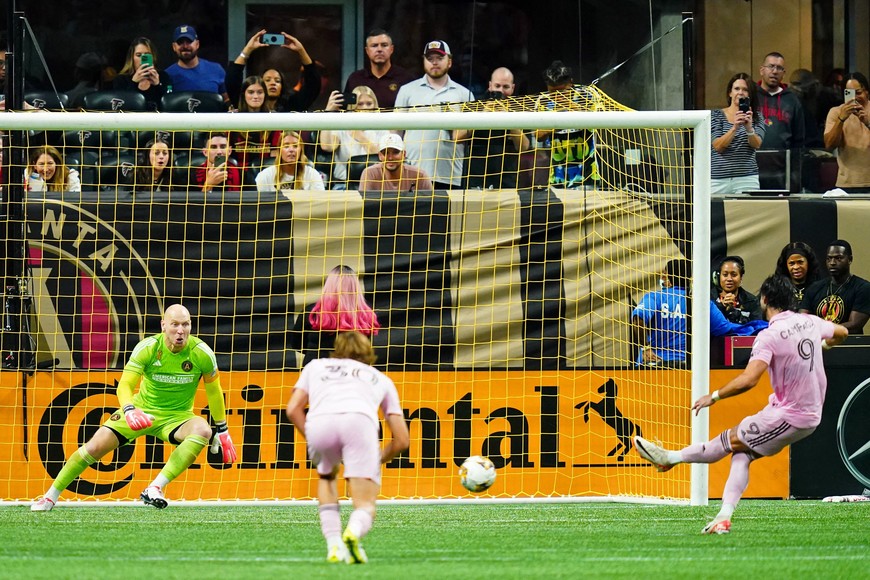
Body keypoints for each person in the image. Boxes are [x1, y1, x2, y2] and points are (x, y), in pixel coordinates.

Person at [634, 275, 848, 534]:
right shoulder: (809, 321)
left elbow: (749, 380)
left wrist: (713, 396)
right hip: (800, 410)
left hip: (792, 415)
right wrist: (823, 344)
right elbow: (842, 331)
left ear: (765, 300)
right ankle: (723, 517)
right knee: (742, 453)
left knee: (728, 440)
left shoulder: (769, 336)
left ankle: (670, 458)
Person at [31, 304, 237, 511]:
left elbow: (214, 392)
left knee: (203, 430)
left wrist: (223, 428)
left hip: (178, 417)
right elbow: (125, 385)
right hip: (140, 411)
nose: (180, 330)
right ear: (163, 325)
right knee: (93, 448)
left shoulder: (202, 353)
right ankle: (50, 497)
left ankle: (155, 488)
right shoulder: (148, 347)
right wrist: (129, 410)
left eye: (185, 324)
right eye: (174, 324)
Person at [286, 330, 409, 563]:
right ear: (368, 352)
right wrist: (378, 458)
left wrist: (311, 436)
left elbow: (293, 409)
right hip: (359, 423)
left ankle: (334, 545)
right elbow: (402, 440)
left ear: (337, 349)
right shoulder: (379, 378)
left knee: (327, 477)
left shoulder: (315, 366)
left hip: (321, 422)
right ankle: (353, 531)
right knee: (365, 504)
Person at [394, 40, 474, 190]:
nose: (434, 63)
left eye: (439, 58)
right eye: (430, 59)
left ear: (449, 62)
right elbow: (395, 133)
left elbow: (471, 134)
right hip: (412, 172)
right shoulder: (407, 91)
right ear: (424, 61)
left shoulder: (464, 94)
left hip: (450, 175)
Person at [290, 264, 380, 366]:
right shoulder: (365, 313)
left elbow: (296, 344)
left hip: (316, 369)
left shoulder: (312, 311)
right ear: (355, 286)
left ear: (329, 285)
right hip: (352, 369)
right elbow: (365, 345)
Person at [533, 60, 598, 189]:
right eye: (553, 93)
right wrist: (558, 117)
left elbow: (594, 122)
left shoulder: (587, 96)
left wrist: (571, 107)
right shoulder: (543, 102)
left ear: (571, 84)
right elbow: (539, 135)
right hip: (557, 176)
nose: (557, 98)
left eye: (562, 92)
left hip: (588, 174)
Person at [227, 29, 320, 113]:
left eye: (277, 81)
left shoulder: (291, 105)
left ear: (282, 86)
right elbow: (232, 80)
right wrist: (248, 49)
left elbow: (313, 85)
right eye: (267, 80)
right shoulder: (249, 104)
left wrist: (301, 50)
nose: (273, 83)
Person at [466, 67, 530, 190]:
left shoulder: (519, 111)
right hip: (475, 181)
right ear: (490, 86)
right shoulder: (475, 106)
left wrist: (507, 119)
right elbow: (457, 137)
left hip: (506, 182)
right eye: (497, 86)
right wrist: (481, 115)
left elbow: (524, 146)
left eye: (505, 87)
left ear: (512, 88)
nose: (501, 91)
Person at [320, 86, 388, 188]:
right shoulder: (342, 123)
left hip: (375, 184)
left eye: (369, 103)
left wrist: (361, 138)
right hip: (343, 184)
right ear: (353, 106)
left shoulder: (383, 126)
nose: (365, 107)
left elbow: (384, 157)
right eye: (360, 104)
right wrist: (328, 113)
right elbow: (327, 146)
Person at [756, 52, 805, 189]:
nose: (774, 71)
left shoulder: (793, 100)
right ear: (762, 70)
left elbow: (799, 141)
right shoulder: (751, 96)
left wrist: (796, 174)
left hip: (783, 173)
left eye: (779, 68)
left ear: (784, 73)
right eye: (771, 66)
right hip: (751, 171)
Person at [711, 73, 766, 194]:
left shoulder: (757, 116)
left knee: (748, 212)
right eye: (736, 89)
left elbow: (757, 144)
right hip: (718, 179)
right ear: (730, 93)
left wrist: (749, 129)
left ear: (750, 95)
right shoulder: (716, 115)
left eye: (745, 90)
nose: (740, 93)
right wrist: (735, 127)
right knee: (716, 212)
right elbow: (718, 146)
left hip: (746, 178)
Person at [800, 239, 870, 333]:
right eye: (829, 258)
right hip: (818, 344)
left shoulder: (862, 287)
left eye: (838, 258)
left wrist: (823, 330)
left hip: (848, 345)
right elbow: (802, 320)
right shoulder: (814, 288)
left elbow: (855, 324)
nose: (832, 263)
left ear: (850, 259)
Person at [632, 258, 690, 367]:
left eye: (664, 274)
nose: (662, 278)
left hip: (653, 364)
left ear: (672, 278)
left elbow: (637, 319)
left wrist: (645, 347)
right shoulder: (700, 302)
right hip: (687, 367)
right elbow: (726, 328)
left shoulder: (654, 297)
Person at [343, 29, 416, 109]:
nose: (379, 49)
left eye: (384, 45)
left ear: (391, 49)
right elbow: (346, 110)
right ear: (367, 51)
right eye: (374, 46)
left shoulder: (406, 79)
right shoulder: (355, 79)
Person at [823, 72, 870, 193]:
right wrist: (841, 119)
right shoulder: (835, 112)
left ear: (867, 92)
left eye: (858, 92)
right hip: (847, 184)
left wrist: (868, 123)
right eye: (849, 93)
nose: (854, 98)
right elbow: (829, 144)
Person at [165, 25, 229, 104]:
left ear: (197, 44)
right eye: (180, 42)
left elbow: (226, 100)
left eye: (189, 42)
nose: (185, 46)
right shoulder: (167, 75)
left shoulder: (216, 70)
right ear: (174, 47)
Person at [255, 130, 325, 196]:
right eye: (286, 146)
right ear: (279, 151)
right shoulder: (265, 176)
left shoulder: (312, 175)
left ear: (301, 151)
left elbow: (320, 202)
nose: (291, 150)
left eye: (295, 146)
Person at [359, 134, 434, 194]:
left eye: (395, 152)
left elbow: (431, 207)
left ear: (404, 154)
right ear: (380, 156)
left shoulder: (420, 175)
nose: (390, 158)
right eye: (385, 153)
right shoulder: (369, 174)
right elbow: (364, 207)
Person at [112, 37, 171, 111]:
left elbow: (170, 103)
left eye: (147, 55)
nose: (143, 59)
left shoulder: (163, 76)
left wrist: (158, 84)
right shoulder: (121, 79)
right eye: (138, 55)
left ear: (153, 57)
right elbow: (120, 105)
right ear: (132, 58)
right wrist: (133, 83)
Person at [710, 255, 762, 324]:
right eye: (725, 275)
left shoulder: (752, 301)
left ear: (741, 277)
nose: (729, 279)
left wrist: (733, 312)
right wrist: (721, 306)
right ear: (718, 277)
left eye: (734, 275)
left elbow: (756, 327)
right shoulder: (708, 298)